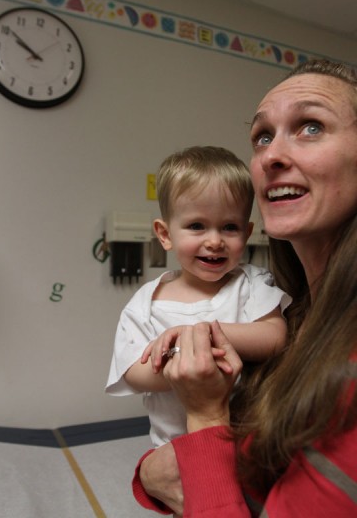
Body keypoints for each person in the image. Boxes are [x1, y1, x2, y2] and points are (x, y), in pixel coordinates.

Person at [132, 59, 357, 516]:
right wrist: (152, 475)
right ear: (165, 233)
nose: (271, 156)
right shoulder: (296, 317)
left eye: (311, 127)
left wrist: (203, 416)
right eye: (262, 136)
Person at [106, 146, 290, 447]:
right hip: (174, 448)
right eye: (197, 226)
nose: (215, 241)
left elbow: (274, 337)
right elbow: (132, 371)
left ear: (246, 233)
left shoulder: (252, 284)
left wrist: (205, 334)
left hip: (249, 442)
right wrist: (188, 368)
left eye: (230, 227)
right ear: (165, 235)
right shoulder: (147, 302)